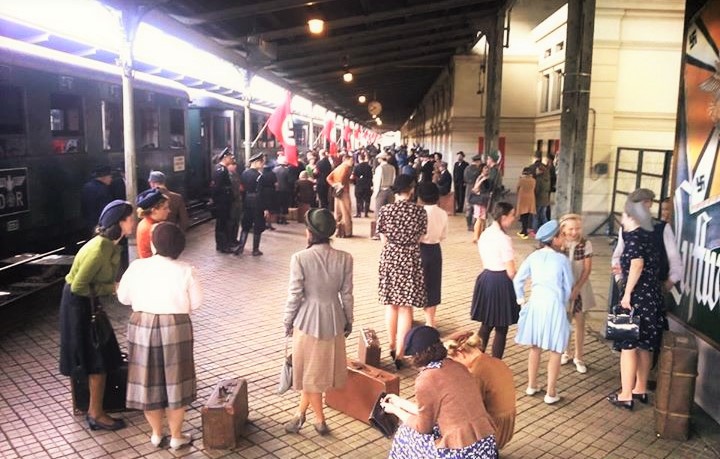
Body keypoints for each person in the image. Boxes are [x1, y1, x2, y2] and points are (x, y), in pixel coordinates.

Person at [117, 222, 202, 450]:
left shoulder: (137, 267)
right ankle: (176, 436)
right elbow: (196, 303)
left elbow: (123, 298)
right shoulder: (186, 270)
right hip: (176, 326)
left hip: (142, 325)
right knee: (176, 381)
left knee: (148, 380)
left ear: (154, 244)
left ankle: (156, 434)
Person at [59, 199, 135, 431]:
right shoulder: (99, 248)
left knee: (101, 358)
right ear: (119, 222)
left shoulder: (110, 244)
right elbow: (78, 286)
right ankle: (95, 414)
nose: (133, 221)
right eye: (129, 218)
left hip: (88, 304)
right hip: (78, 306)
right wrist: (112, 287)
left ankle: (96, 411)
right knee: (96, 360)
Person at [283, 208, 354, 436]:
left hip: (306, 322)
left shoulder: (299, 258)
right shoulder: (345, 258)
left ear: (310, 233)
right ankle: (299, 416)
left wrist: (287, 321)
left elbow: (295, 295)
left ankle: (320, 421)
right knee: (314, 374)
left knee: (311, 376)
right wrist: (348, 320)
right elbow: (347, 294)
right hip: (334, 319)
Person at [381, 326, 498, 458]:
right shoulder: (458, 366)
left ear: (414, 356)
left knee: (405, 432)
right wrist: (399, 402)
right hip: (487, 445)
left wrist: (395, 410)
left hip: (463, 452)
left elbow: (422, 427)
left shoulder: (426, 379)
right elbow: (430, 413)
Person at [607, 197, 663, 410]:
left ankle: (626, 394)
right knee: (645, 346)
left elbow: (637, 264)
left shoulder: (634, 237)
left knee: (628, 346)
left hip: (637, 297)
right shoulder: (650, 235)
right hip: (652, 296)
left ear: (631, 216)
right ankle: (640, 389)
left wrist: (627, 293)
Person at [514, 220, 573, 405]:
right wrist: (564, 303)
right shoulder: (562, 260)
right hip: (555, 305)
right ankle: (551, 392)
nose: (564, 238)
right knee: (556, 349)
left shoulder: (533, 257)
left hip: (536, 303)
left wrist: (521, 300)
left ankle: (531, 385)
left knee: (535, 346)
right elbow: (568, 286)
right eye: (562, 235)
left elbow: (518, 280)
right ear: (554, 239)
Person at [377, 175, 427, 369]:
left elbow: (383, 239)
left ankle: (391, 344)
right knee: (406, 307)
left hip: (390, 257)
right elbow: (420, 238)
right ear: (411, 189)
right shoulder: (419, 211)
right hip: (410, 258)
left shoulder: (386, 210)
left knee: (391, 305)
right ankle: (400, 353)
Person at [444, 330, 515, 450]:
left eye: (452, 360)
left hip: (493, 432)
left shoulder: (475, 373)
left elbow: (466, 410)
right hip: (506, 427)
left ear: (461, 353)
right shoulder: (494, 361)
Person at [470, 202, 518, 359]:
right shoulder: (504, 239)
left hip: (486, 278)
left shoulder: (485, 233)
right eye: (512, 215)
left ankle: (476, 359)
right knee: (501, 328)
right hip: (500, 281)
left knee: (486, 324)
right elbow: (511, 271)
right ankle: (496, 364)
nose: (514, 218)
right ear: (503, 217)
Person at [558, 214, 595, 374]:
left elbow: (587, 269)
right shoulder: (559, 243)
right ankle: (566, 351)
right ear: (563, 229)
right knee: (564, 322)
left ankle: (579, 357)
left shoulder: (585, 244)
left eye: (577, 228)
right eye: (571, 229)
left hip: (580, 288)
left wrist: (577, 287)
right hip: (563, 289)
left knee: (580, 322)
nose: (574, 232)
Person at [417, 182, 448, 328]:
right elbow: (443, 235)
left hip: (420, 250)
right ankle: (430, 322)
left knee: (416, 284)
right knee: (433, 286)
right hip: (435, 250)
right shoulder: (442, 213)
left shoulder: (419, 212)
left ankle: (407, 317)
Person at [237, 152, 269, 256]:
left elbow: (241, 189)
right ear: (256, 162)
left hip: (247, 201)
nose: (263, 165)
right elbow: (262, 193)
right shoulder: (259, 176)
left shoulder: (244, 173)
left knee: (246, 225)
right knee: (258, 226)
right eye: (262, 163)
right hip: (257, 202)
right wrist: (265, 208)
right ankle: (255, 250)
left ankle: (240, 248)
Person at [210, 148, 236, 253]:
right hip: (222, 202)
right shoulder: (221, 170)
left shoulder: (220, 168)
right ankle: (223, 246)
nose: (231, 159)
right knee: (222, 224)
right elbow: (217, 187)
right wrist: (217, 201)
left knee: (222, 224)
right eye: (230, 157)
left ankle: (222, 245)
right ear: (225, 157)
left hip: (223, 201)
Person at [135, 189, 170, 259]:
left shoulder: (145, 222)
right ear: (154, 211)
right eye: (165, 208)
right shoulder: (153, 229)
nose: (169, 211)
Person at [80, 165, 114, 237]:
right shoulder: (103, 189)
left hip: (88, 224)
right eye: (110, 177)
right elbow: (106, 210)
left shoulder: (86, 187)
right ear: (104, 177)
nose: (111, 179)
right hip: (100, 226)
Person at [326, 153, 354, 237]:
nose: (352, 162)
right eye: (351, 160)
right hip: (344, 191)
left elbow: (328, 178)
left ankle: (337, 230)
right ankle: (347, 231)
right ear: (346, 160)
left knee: (338, 212)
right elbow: (342, 178)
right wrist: (340, 184)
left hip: (337, 192)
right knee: (346, 211)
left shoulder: (338, 167)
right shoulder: (346, 168)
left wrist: (334, 185)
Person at [470, 165, 493, 243]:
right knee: (479, 219)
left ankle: (480, 236)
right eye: (485, 168)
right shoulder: (480, 178)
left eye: (488, 169)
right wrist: (482, 180)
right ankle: (476, 237)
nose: (487, 170)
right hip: (479, 201)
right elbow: (475, 188)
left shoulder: (488, 178)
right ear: (482, 170)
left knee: (482, 219)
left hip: (484, 200)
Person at [372, 152, 396, 226]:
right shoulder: (392, 168)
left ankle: (379, 229)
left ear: (380, 159)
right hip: (390, 190)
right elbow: (394, 179)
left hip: (381, 191)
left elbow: (378, 181)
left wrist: (375, 193)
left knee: (379, 212)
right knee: (390, 212)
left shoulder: (379, 168)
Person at [515, 166, 536, 239]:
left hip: (523, 199)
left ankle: (524, 231)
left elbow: (517, 187)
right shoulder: (533, 180)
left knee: (523, 216)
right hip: (530, 199)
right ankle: (524, 231)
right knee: (527, 216)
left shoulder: (522, 180)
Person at [463, 154, 482, 232]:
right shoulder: (479, 170)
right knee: (475, 208)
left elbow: (465, 178)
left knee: (468, 208)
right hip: (476, 189)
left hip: (468, 189)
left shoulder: (466, 168)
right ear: (478, 161)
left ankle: (469, 225)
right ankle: (474, 225)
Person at [352, 152, 373, 218]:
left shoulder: (356, 167)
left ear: (359, 158)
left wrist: (355, 183)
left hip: (359, 185)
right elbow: (371, 176)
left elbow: (354, 176)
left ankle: (358, 213)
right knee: (367, 199)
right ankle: (366, 213)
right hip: (367, 185)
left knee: (358, 199)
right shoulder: (369, 167)